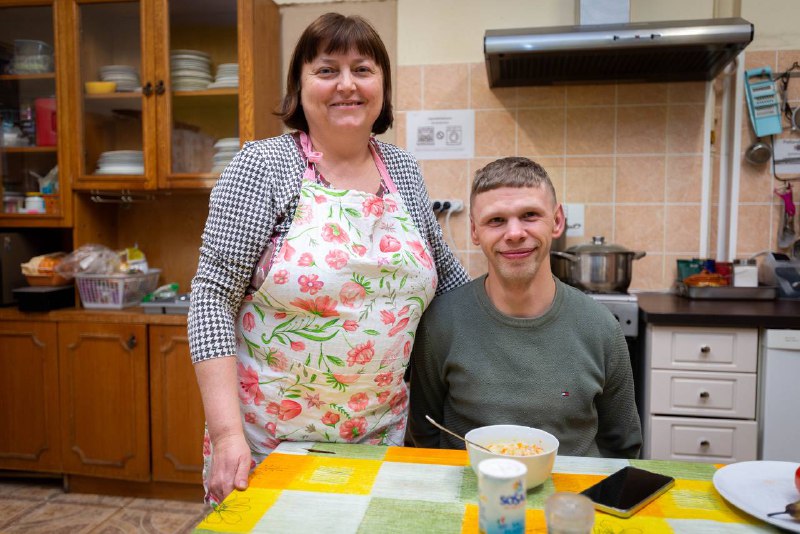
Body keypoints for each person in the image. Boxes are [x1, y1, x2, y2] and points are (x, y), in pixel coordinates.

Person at [188, 13, 469, 505]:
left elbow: (447, 279)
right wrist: (227, 435)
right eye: (326, 70)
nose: (347, 84)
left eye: (362, 69)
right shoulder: (263, 166)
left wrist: (521, 307)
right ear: (299, 86)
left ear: (382, 85)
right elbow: (212, 297)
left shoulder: (402, 168)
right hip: (268, 446)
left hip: (380, 440)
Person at [408, 156, 642, 459]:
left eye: (530, 215)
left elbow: (623, 449)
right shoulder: (441, 323)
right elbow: (424, 436)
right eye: (496, 220)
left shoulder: (601, 327)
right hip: (472, 487)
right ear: (475, 231)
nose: (515, 233)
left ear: (557, 221)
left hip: (573, 489)